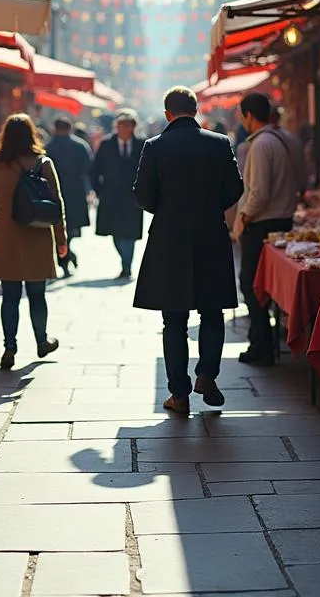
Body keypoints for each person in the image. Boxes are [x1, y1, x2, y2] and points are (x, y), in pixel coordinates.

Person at [133, 86, 244, 414]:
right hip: (210, 233)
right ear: (194, 111)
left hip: (169, 237)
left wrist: (167, 211)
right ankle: (207, 374)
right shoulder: (219, 143)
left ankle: (178, 394)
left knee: (174, 318)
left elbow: (142, 194)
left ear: (168, 113)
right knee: (212, 311)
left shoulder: (155, 146)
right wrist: (211, 207)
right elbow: (235, 188)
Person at [0, 113, 67, 371]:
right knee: (37, 294)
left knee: (9, 296)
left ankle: (10, 347)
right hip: (37, 236)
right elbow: (57, 204)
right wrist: (62, 239)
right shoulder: (43, 163)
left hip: (6, 236)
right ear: (32, 134)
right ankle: (42, 341)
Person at [232, 92, 300, 367]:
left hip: (263, 224)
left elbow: (258, 192)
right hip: (278, 221)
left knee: (251, 283)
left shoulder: (261, 145)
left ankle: (260, 344)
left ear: (249, 115)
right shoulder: (278, 139)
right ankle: (262, 340)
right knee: (259, 285)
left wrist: (243, 218)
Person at [93, 109, 146, 280]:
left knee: (130, 233)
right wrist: (99, 191)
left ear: (133, 127)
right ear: (117, 126)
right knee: (115, 232)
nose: (125, 128)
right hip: (111, 196)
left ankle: (127, 266)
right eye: (122, 125)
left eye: (129, 125)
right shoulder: (106, 144)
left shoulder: (141, 145)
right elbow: (95, 169)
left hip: (133, 197)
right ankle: (125, 261)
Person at [45, 116, 93, 276]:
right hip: (75, 192)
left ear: (55, 128)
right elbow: (88, 169)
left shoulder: (47, 147)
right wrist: (89, 190)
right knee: (70, 229)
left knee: (56, 229)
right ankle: (67, 256)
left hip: (52, 193)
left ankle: (66, 258)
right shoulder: (80, 146)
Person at [270, 106, 308, 199]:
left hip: (275, 202)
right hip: (292, 196)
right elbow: (301, 170)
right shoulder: (292, 139)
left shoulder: (263, 142)